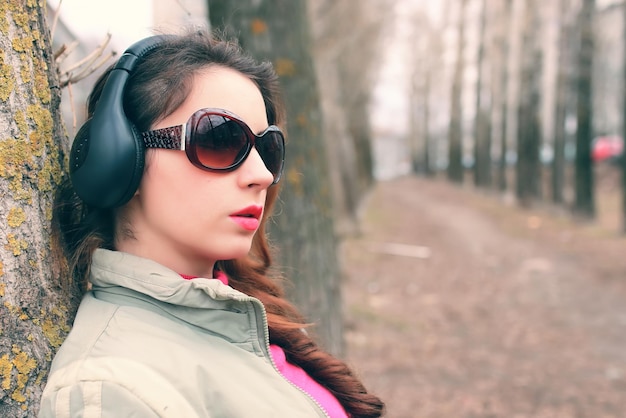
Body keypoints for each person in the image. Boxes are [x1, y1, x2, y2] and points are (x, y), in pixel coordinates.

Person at [39, 29, 385, 418]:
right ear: (119, 159)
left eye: (267, 148)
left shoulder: (245, 317)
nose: (263, 175)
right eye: (220, 138)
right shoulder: (114, 392)